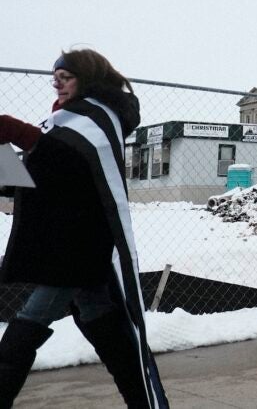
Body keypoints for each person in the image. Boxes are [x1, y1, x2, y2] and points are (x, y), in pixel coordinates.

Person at [0, 49, 167, 408]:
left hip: (78, 246)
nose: (57, 84)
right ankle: (142, 402)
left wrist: (15, 130)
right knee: (105, 327)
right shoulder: (63, 121)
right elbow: (38, 179)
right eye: (54, 78)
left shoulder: (98, 116)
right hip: (68, 245)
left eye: (66, 77)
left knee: (24, 330)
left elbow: (62, 158)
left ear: (87, 78)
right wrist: (3, 156)